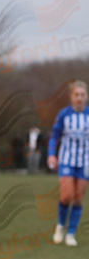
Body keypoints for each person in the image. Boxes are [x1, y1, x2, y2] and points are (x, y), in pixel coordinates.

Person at [47, 80, 89, 246]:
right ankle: (60, 226)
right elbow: (55, 136)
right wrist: (51, 155)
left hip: (85, 161)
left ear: (86, 97)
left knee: (78, 198)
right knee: (66, 196)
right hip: (66, 159)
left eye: (82, 95)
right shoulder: (64, 114)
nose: (79, 98)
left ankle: (71, 234)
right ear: (71, 97)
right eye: (76, 95)